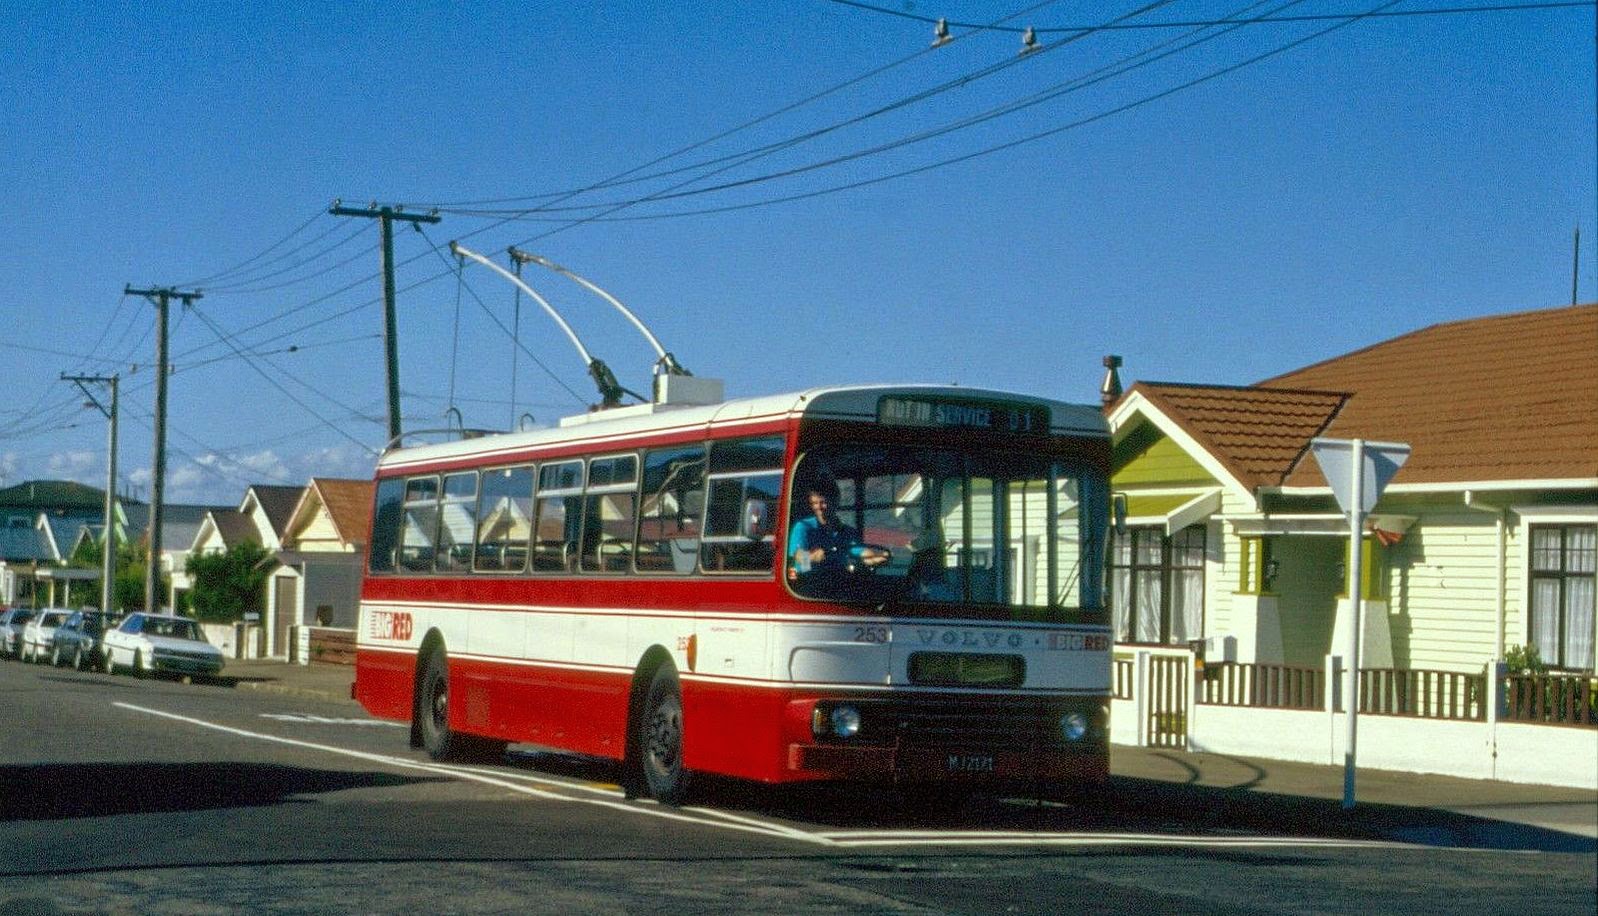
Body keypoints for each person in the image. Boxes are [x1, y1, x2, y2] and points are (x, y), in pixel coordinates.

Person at [788, 487, 888, 578]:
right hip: (807, 583)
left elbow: (860, 551)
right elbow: (797, 555)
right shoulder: (803, 526)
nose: (819, 507)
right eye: (814, 503)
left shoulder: (847, 531)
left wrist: (874, 557)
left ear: (835, 503)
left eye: (823, 502)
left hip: (839, 581)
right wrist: (810, 557)